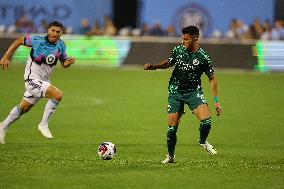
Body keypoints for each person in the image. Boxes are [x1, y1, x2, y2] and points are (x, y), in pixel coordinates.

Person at [144, 25, 222, 164]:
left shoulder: (203, 57)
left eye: (186, 39)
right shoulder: (178, 50)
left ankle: (202, 141)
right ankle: (170, 157)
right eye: (182, 38)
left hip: (193, 92)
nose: (183, 42)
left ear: (195, 39)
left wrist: (216, 100)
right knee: (172, 128)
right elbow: (168, 63)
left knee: (207, 121)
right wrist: (154, 67)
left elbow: (212, 78)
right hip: (175, 92)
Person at [0, 21, 75, 144]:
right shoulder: (37, 40)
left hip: (43, 81)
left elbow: (63, 62)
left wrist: (68, 62)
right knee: (57, 95)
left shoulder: (61, 45)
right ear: (48, 30)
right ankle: (43, 124)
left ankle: (3, 125)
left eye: (58, 32)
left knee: (24, 107)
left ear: (61, 33)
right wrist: (6, 56)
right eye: (53, 30)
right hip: (31, 79)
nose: (55, 34)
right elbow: (19, 40)